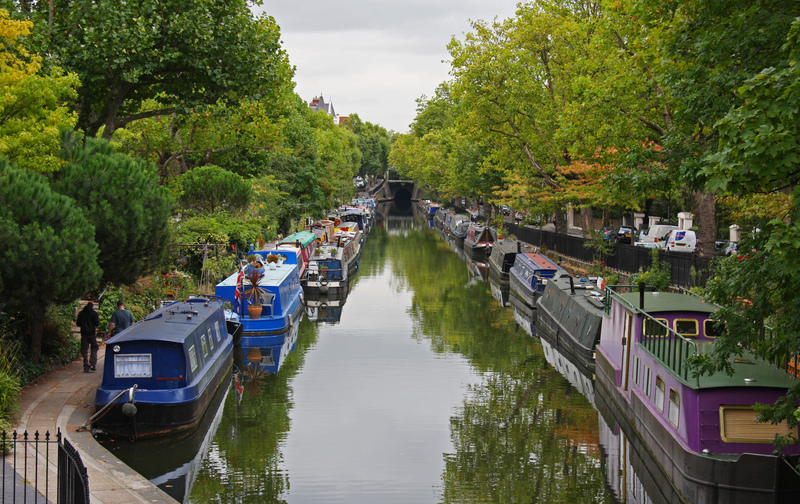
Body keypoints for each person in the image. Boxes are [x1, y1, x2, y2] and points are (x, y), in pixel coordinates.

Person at [76, 302, 100, 373]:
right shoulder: (94, 314)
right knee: (94, 348)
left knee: (84, 350)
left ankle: (85, 365)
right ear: (92, 306)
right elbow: (97, 323)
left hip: (83, 333)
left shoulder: (81, 313)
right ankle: (92, 364)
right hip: (92, 333)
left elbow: (78, 323)